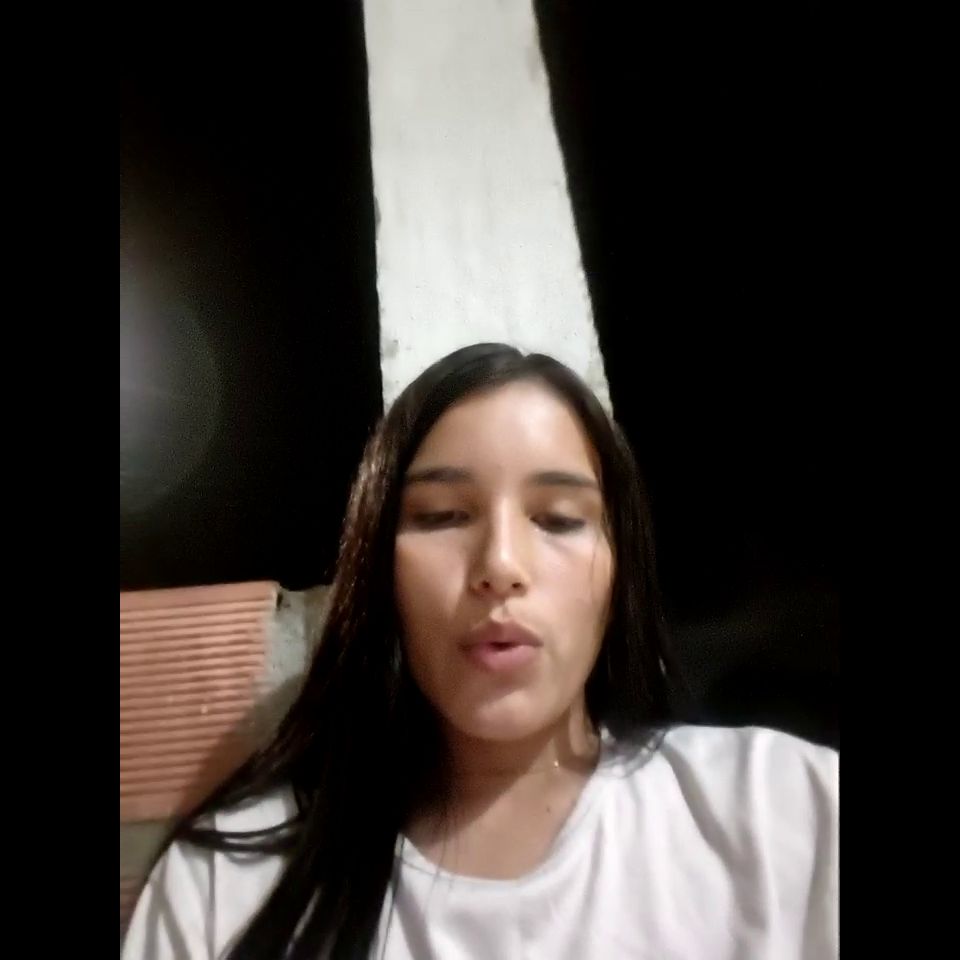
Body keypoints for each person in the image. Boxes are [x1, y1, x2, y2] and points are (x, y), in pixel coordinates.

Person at [122, 342, 838, 960]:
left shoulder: (786, 812)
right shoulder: (228, 884)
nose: (500, 564)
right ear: (379, 567)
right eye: (442, 516)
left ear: (618, 571)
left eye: (558, 519)